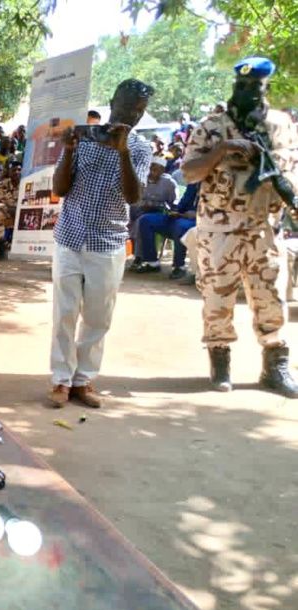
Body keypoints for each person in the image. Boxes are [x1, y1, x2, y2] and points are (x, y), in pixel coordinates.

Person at [181, 56, 298, 397]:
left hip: (264, 227)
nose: (245, 91)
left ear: (265, 87)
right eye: (240, 85)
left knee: (271, 297)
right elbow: (190, 172)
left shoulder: (282, 124)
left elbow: (290, 173)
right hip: (219, 228)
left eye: (253, 86)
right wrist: (221, 150)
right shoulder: (212, 126)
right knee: (217, 296)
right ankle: (220, 361)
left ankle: (275, 365)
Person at [49, 78, 155, 408]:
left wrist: (122, 152)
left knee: (98, 317)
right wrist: (69, 150)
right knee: (64, 313)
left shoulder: (140, 148)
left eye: (139, 111)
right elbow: (60, 187)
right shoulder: (84, 138)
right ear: (112, 102)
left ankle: (84, 380)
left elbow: (133, 195)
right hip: (69, 238)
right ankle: (61, 381)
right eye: (127, 108)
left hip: (107, 243)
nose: (132, 116)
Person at [134, 182, 199, 278]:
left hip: (198, 221)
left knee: (180, 226)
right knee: (145, 220)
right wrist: (175, 211)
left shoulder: (213, 185)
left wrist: (190, 215)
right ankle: (152, 263)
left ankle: (179, 266)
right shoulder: (194, 183)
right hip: (181, 217)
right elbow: (183, 202)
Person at [128, 157, 177, 261]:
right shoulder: (142, 180)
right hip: (140, 210)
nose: (151, 172)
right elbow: (135, 199)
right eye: (150, 168)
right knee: (131, 218)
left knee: (141, 222)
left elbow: (174, 203)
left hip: (159, 212)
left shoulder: (169, 183)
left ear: (162, 171)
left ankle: (139, 257)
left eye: (155, 169)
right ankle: (135, 254)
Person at [0, 160, 22, 257]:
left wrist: (17, 210)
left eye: (19, 170)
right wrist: (9, 209)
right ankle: (1, 245)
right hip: (7, 212)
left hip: (22, 212)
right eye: (14, 170)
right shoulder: (3, 184)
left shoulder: (26, 183)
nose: (16, 172)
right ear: (9, 172)